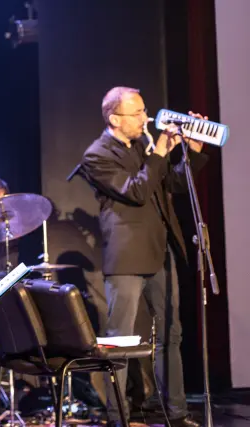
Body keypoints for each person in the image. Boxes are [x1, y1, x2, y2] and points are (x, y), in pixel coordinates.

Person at [78, 86, 206, 427]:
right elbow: (136, 191)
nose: (146, 119)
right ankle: (118, 416)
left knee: (170, 335)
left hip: (160, 251)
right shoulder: (97, 155)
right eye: (137, 113)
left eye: (144, 111)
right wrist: (160, 151)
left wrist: (191, 153)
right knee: (119, 340)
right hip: (127, 258)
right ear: (115, 119)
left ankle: (175, 412)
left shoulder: (141, 147)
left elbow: (171, 185)